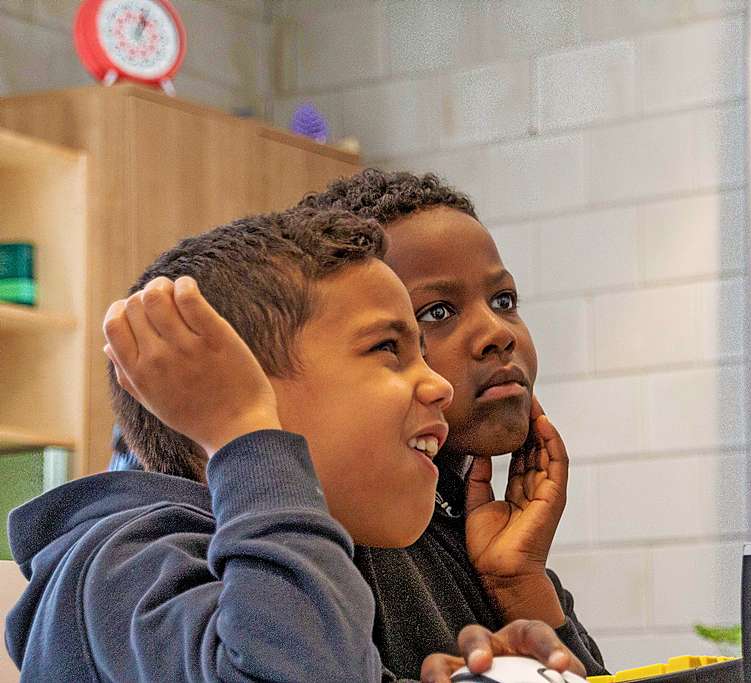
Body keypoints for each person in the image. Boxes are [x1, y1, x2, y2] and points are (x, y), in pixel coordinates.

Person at [5, 207, 586, 682]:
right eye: (389, 348)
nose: (436, 385)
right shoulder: (124, 566)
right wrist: (245, 430)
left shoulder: (301, 571)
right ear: (235, 385)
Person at [298, 171, 607, 679]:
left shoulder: (475, 522)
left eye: (504, 301)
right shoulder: (342, 535)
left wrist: (518, 584)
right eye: (437, 312)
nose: (496, 332)